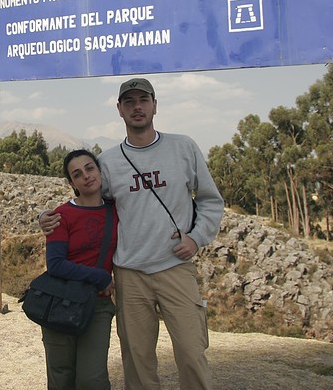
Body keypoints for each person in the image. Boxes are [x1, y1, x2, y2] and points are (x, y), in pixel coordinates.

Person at [41, 78, 224, 390]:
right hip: (129, 274)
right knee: (137, 361)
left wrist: (196, 237)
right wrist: (49, 217)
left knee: (192, 353)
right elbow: (90, 204)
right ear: (120, 110)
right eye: (129, 102)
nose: (137, 107)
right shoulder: (108, 162)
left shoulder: (184, 147)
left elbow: (210, 200)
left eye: (143, 100)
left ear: (154, 105)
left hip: (175, 268)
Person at [42, 149, 119, 390]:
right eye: (77, 174)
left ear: (99, 170)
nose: (86, 176)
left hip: (98, 306)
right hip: (60, 304)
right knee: (61, 377)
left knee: (92, 379)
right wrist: (100, 276)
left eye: (89, 168)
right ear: (72, 183)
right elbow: (55, 264)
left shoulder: (117, 211)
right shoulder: (61, 216)